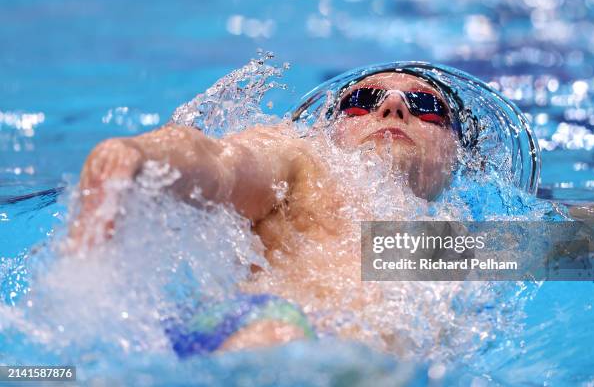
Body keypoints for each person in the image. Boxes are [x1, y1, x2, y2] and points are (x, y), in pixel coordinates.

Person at [68, 71, 460, 353]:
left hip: (347, 368)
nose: (392, 106)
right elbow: (222, 163)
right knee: (277, 338)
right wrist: (143, 156)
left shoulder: (460, 240)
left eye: (426, 106)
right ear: (331, 129)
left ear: (458, 156)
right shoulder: (303, 161)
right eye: (361, 102)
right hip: (256, 329)